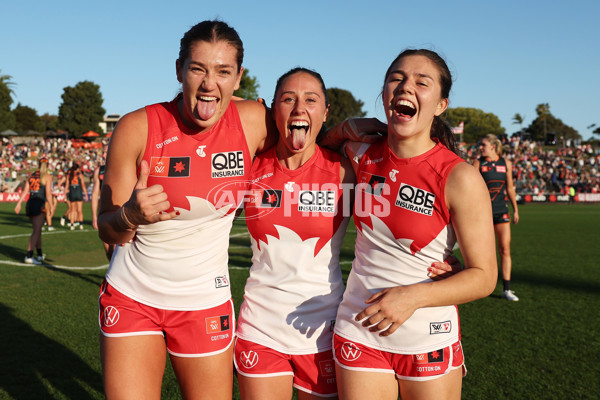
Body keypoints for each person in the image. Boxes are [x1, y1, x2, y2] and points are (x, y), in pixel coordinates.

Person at [96, 20, 277, 399]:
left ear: (239, 77)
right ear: (179, 70)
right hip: (133, 296)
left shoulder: (254, 122)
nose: (210, 83)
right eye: (198, 69)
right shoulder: (137, 127)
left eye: (223, 71)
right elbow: (107, 229)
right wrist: (129, 216)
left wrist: (349, 131)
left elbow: (308, 136)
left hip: (204, 301)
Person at [332, 49, 498, 400]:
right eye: (397, 78)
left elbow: (484, 276)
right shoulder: (361, 153)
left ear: (441, 105)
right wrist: (348, 126)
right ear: (385, 92)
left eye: (422, 82)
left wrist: (412, 297)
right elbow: (318, 144)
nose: (406, 86)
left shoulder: (459, 177)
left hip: (428, 336)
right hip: (358, 330)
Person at [234, 68, 353, 399]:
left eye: (311, 100)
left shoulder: (346, 172)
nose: (300, 108)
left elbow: (390, 232)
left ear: (325, 113)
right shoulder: (249, 169)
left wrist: (434, 262)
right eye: (288, 99)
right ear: (274, 111)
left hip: (324, 331)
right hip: (260, 326)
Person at [473, 134, 520, 301]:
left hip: (502, 211)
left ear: (493, 146)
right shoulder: (478, 163)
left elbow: (510, 188)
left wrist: (515, 209)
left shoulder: (505, 163)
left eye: (483, 144)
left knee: (505, 249)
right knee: (483, 252)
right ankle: (480, 287)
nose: (480, 147)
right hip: (483, 214)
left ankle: (506, 289)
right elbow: (471, 187)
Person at [14, 157, 53, 264]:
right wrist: (52, 206)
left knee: (38, 229)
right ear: (48, 165)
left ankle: (39, 254)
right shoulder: (48, 177)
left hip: (30, 203)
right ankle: (29, 255)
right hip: (39, 203)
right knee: (36, 231)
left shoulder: (31, 176)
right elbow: (48, 194)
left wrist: (18, 204)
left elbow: (25, 191)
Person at [91, 144, 115, 260]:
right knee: (109, 251)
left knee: (117, 250)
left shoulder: (121, 167)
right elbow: (95, 194)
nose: (103, 155)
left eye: (106, 152)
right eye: (103, 152)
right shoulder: (99, 170)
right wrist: (94, 217)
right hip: (103, 212)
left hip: (118, 211)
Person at [65, 163, 87, 230]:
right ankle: (81, 225)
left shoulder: (69, 175)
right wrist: (86, 194)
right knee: (80, 210)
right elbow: (83, 185)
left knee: (72, 210)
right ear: (77, 168)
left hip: (72, 193)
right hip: (78, 193)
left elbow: (66, 186)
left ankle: (72, 225)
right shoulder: (80, 175)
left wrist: (65, 195)